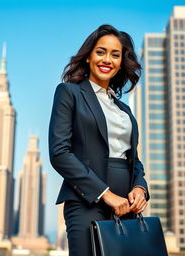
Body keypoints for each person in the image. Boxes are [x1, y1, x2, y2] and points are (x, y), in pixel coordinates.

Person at [48, 24, 150, 256]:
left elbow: (133, 160)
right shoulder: (68, 92)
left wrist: (139, 187)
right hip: (86, 202)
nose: (107, 59)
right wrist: (106, 194)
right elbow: (60, 153)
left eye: (115, 55)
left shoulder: (123, 109)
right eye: (101, 52)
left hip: (127, 206)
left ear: (121, 63)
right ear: (88, 57)